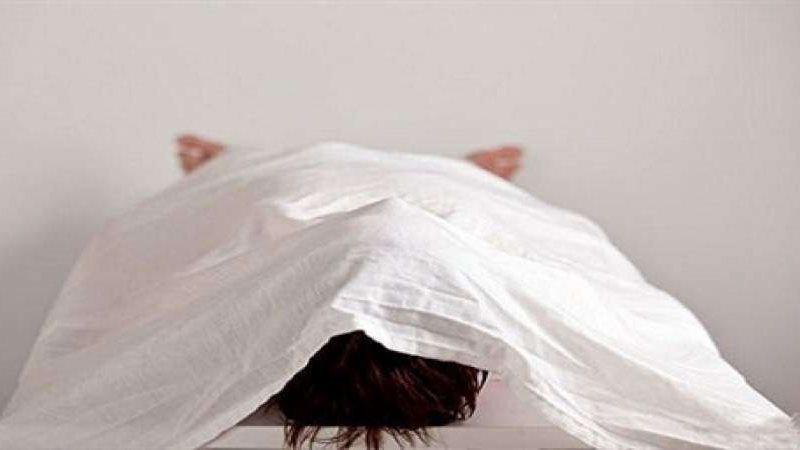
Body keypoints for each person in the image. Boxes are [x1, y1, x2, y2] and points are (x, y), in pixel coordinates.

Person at [174, 134, 521, 450]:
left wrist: (222, 174)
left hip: (304, 188)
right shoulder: (462, 246)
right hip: (428, 196)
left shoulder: (271, 236)